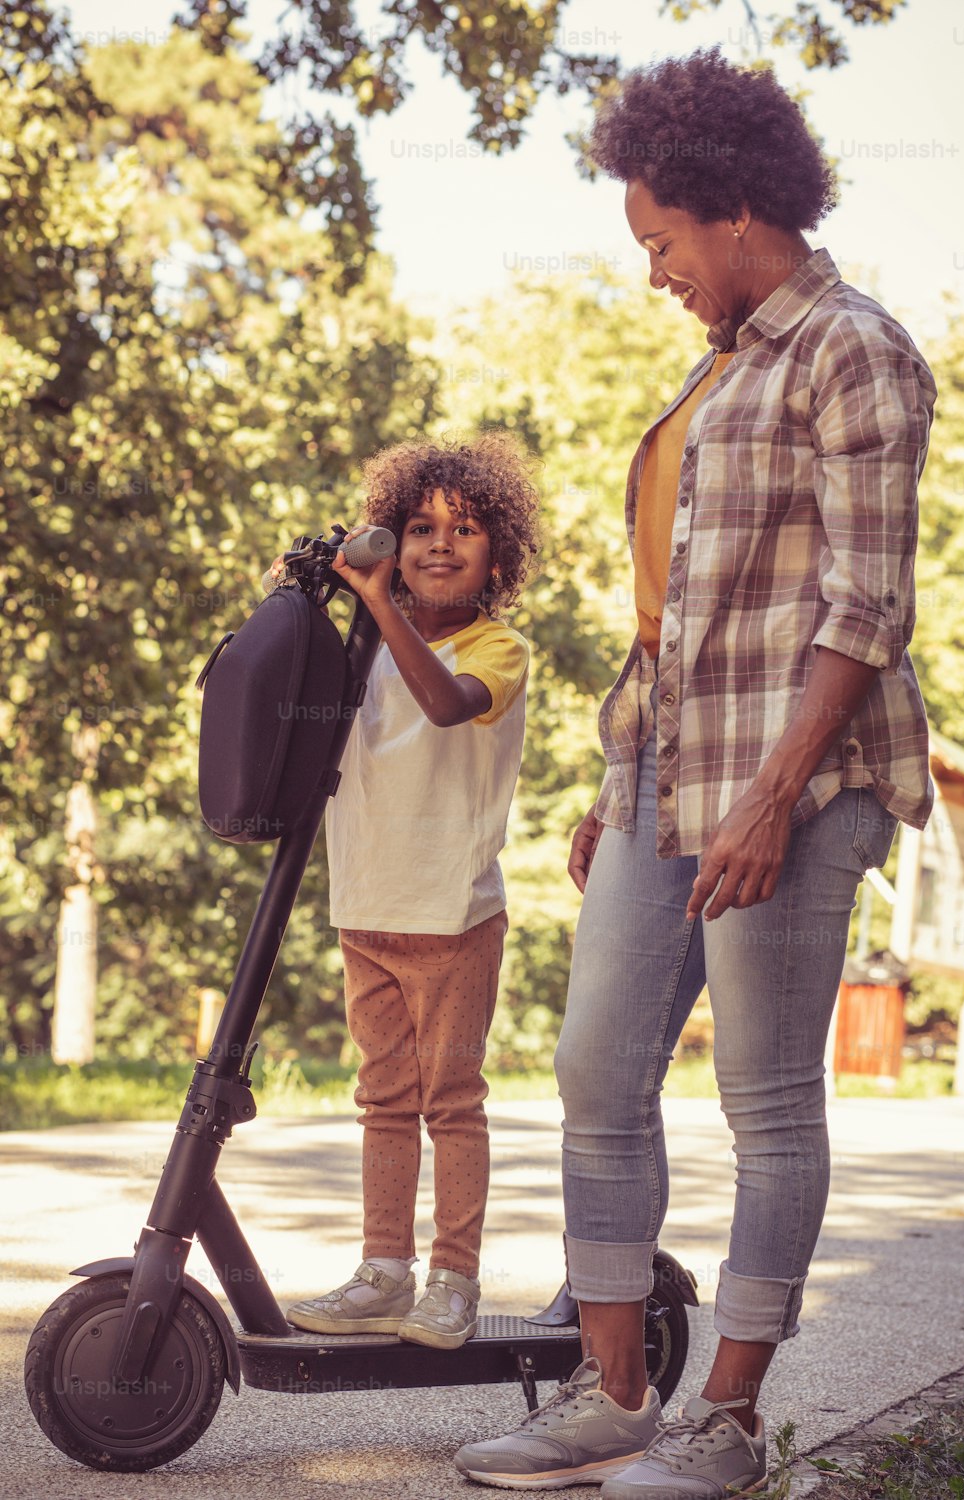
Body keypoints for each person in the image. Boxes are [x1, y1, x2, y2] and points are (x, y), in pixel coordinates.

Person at [454, 47, 936, 1496]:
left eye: (660, 239)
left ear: (734, 209)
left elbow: (869, 604)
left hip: (794, 784)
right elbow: (678, 614)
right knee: (595, 1068)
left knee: (768, 1099)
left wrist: (772, 796)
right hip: (669, 778)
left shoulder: (852, 346)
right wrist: (622, 784)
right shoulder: (722, 364)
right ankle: (612, 1397)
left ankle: (723, 1419)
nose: (653, 268)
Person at [285, 432, 539, 1351]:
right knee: (383, 1099)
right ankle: (384, 1271)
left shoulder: (498, 648)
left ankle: (453, 1281)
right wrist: (305, 592)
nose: (440, 543)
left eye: (464, 529)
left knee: (451, 1102)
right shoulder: (362, 647)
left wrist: (379, 602)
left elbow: (443, 702)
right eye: (419, 526)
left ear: (498, 558)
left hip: (453, 916)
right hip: (365, 906)